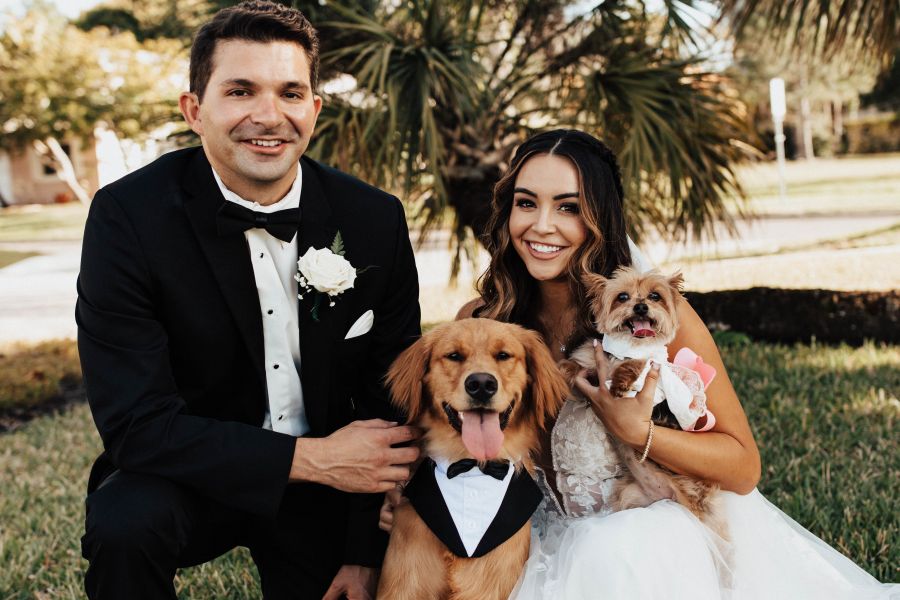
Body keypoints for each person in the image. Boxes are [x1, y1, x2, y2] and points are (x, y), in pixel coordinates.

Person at [381, 129, 898, 599]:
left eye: (568, 207)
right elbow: (456, 436)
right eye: (526, 203)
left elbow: (743, 466)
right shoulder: (481, 322)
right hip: (525, 539)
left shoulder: (649, 317)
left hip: (644, 541)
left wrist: (638, 432)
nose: (542, 225)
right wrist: (415, 492)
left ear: (600, 218)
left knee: (614, 559)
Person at [77, 2, 421, 598]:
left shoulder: (374, 219)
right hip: (192, 474)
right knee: (125, 525)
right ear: (194, 110)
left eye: (290, 93)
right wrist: (312, 459)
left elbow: (390, 400)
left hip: (332, 493)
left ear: (314, 109)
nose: (269, 116)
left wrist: (365, 553)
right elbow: (136, 424)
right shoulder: (127, 217)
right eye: (240, 91)